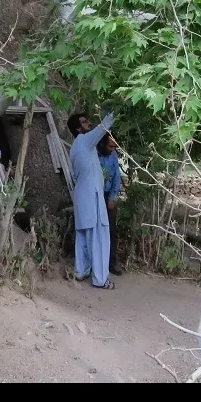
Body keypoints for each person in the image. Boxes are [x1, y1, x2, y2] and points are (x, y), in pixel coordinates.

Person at [67, 110, 117, 290]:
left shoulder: (74, 148)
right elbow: (103, 128)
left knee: (83, 236)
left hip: (82, 197)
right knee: (99, 238)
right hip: (91, 196)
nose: (89, 124)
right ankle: (100, 279)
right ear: (78, 128)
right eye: (85, 122)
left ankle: (81, 271)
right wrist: (114, 110)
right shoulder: (84, 140)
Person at [98, 133, 124, 277]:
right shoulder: (93, 154)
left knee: (111, 231)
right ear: (102, 144)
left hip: (108, 195)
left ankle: (111, 262)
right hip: (94, 195)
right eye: (110, 146)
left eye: (115, 146)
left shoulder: (113, 154)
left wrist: (112, 198)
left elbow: (116, 177)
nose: (113, 149)